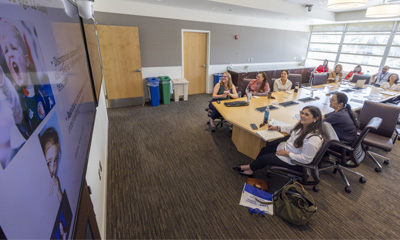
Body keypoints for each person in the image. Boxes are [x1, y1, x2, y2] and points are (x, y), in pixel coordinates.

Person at [0, 20, 55, 139]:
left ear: (26, 60)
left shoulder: (46, 90)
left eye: (13, 48)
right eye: (6, 51)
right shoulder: (18, 102)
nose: (10, 54)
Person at [233, 106, 323, 176]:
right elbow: (290, 128)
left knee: (264, 159)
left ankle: (247, 168)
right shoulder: (302, 125)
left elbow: (306, 159)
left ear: (315, 118)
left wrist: (286, 154)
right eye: (302, 113)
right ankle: (251, 169)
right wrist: (276, 127)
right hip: (287, 148)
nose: (303, 116)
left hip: (295, 161)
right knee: (264, 149)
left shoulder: (313, 138)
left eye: (307, 115)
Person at [39, 127, 63, 202]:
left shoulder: (56, 183)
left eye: (55, 160)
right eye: (48, 163)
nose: (52, 169)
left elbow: (67, 213)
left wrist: (58, 192)